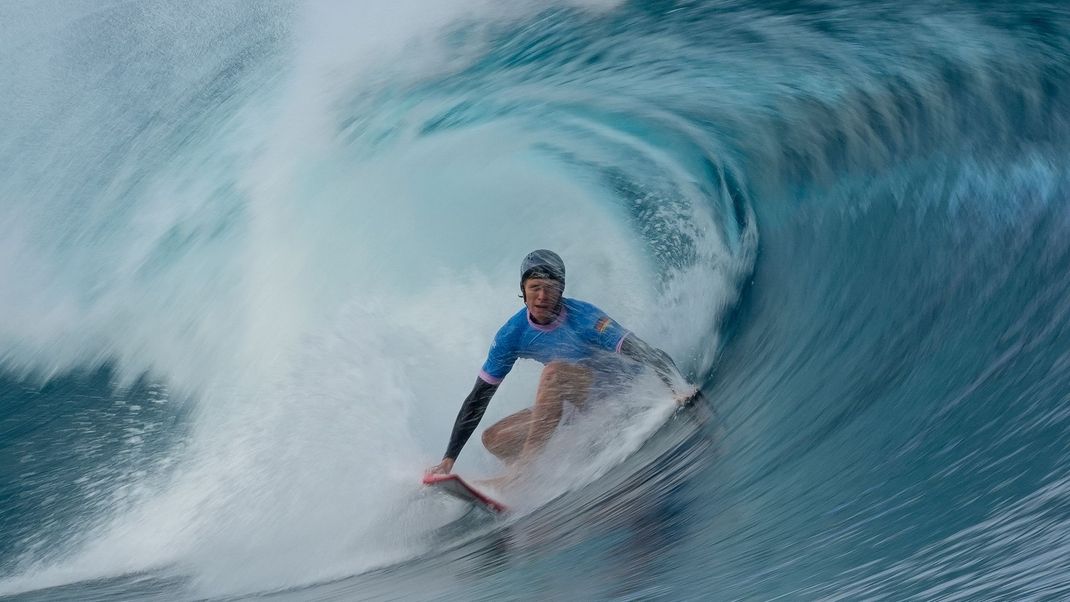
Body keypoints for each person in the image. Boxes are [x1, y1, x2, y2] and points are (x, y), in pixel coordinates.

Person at [425, 249, 702, 478]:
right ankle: (526, 476)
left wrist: (677, 388)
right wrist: (449, 459)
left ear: (561, 290)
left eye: (550, 289)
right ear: (522, 290)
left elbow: (650, 353)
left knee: (554, 373)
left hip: (618, 394)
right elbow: (478, 399)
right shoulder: (512, 334)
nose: (542, 297)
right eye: (534, 288)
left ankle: (525, 471)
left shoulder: (587, 319)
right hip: (578, 409)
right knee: (494, 439)